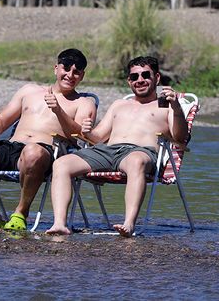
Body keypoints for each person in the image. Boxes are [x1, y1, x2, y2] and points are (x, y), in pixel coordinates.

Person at [0, 49, 96, 233]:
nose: (70, 75)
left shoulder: (84, 102)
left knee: (32, 151)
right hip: (12, 147)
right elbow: (0, 125)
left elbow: (81, 136)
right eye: (66, 68)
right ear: (56, 68)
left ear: (82, 76)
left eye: (77, 72)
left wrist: (59, 111)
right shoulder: (29, 91)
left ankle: (20, 213)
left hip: (46, 153)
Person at [46, 56, 188, 237]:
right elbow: (98, 138)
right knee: (62, 163)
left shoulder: (167, 107)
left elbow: (181, 138)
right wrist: (88, 132)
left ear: (157, 78)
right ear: (129, 81)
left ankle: (128, 224)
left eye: (146, 75)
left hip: (139, 152)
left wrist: (176, 106)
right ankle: (60, 224)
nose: (140, 80)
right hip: (106, 152)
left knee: (137, 161)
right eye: (134, 77)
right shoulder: (119, 104)